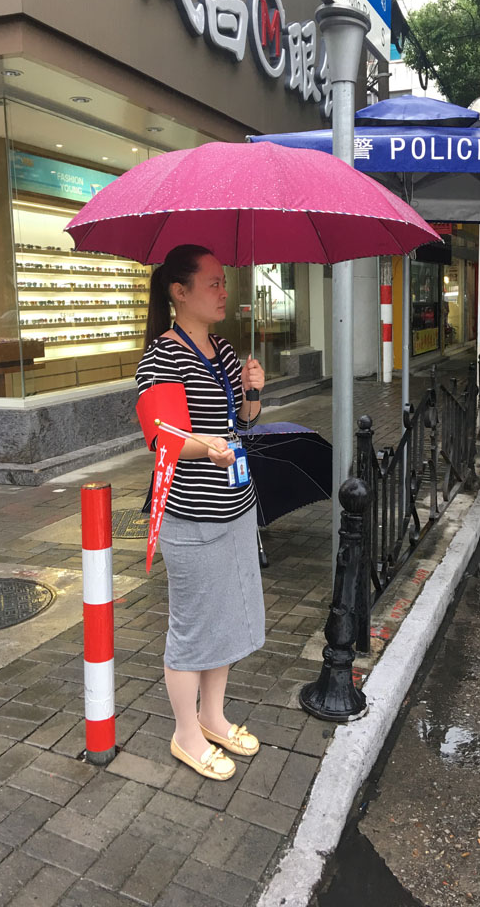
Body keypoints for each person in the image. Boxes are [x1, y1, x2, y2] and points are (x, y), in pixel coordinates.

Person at [136, 244, 266, 782]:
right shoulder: (162, 356)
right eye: (212, 283)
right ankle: (186, 733)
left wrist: (254, 391)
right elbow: (161, 438)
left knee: (226, 617)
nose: (223, 292)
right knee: (193, 626)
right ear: (179, 291)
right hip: (191, 513)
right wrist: (205, 446)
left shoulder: (226, 351)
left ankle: (213, 717)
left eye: (223, 282)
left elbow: (245, 421)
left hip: (235, 504)